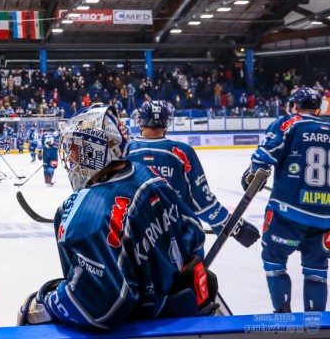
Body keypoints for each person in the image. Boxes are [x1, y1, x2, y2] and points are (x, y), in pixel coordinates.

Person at [18, 105, 215, 329]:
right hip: (181, 309)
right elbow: (194, 231)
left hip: (144, 325)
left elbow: (102, 307)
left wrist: (47, 302)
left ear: (91, 150)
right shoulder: (149, 175)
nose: (70, 157)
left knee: (31, 313)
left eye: (73, 148)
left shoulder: (85, 216)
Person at [242, 87, 330, 313]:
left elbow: (263, 157)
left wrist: (251, 175)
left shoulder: (289, 123)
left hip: (288, 212)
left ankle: (283, 318)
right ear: (318, 108)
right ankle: (316, 326)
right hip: (326, 218)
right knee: (317, 270)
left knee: (274, 259)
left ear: (294, 106)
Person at [127, 101, 260, 246]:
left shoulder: (125, 151)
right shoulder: (181, 152)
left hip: (132, 238)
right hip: (177, 238)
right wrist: (236, 227)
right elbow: (202, 202)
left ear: (139, 121)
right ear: (166, 122)